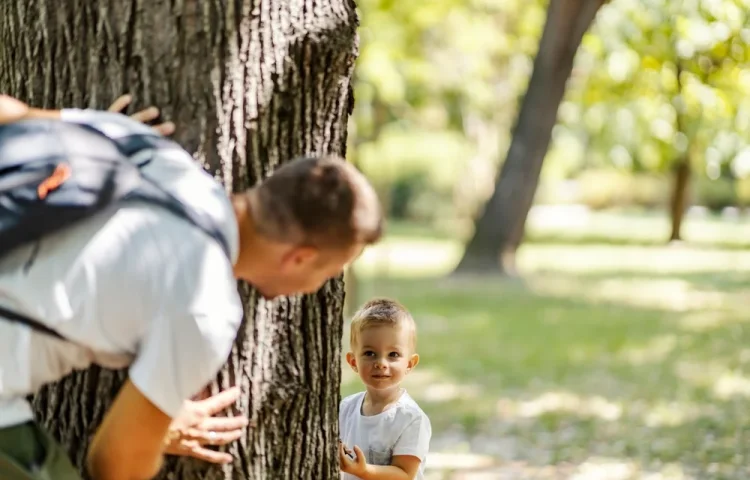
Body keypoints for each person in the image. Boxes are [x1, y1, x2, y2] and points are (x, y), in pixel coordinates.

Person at [0, 94, 383, 480]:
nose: (315, 287)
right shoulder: (206, 307)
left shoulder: (144, 144)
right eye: (328, 272)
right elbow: (115, 465)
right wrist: (154, 433)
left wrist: (92, 130)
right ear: (299, 257)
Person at [339, 298, 431, 480]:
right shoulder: (346, 408)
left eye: (393, 355)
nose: (381, 363)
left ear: (410, 364)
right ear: (353, 361)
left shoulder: (410, 418)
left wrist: (363, 470)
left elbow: (405, 474)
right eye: (370, 353)